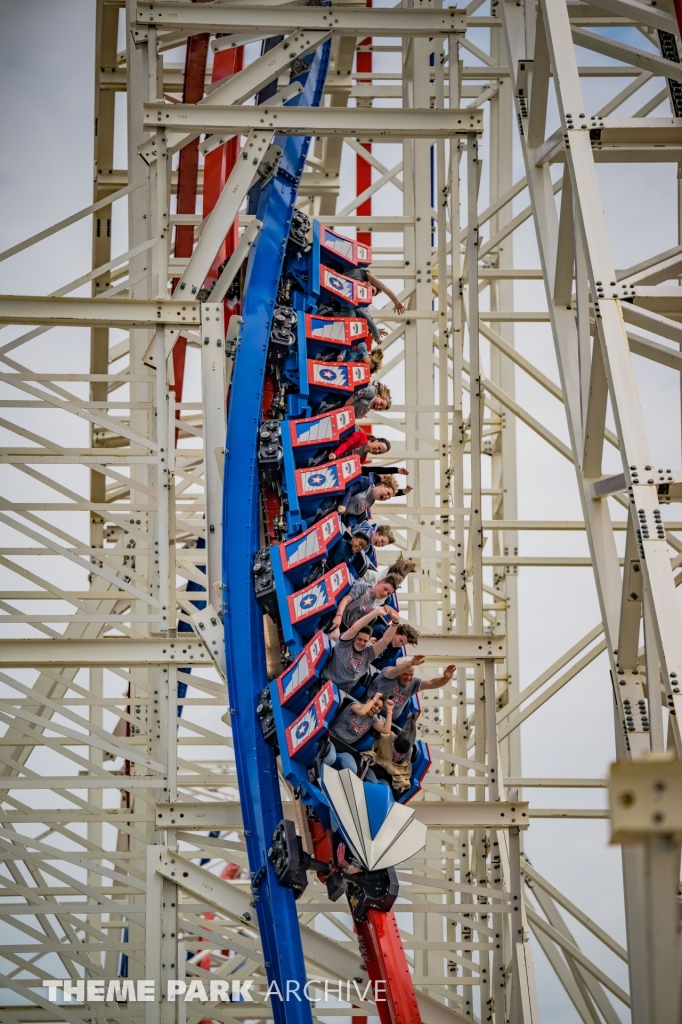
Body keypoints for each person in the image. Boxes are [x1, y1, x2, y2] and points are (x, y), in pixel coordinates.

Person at [321, 605, 400, 693]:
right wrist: (376, 613)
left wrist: (395, 622)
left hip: (340, 692)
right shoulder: (344, 643)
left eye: (365, 641)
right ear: (354, 637)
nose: (362, 643)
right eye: (359, 639)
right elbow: (354, 628)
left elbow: (385, 640)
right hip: (324, 684)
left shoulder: (368, 653)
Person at [323, 693, 394, 784]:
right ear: (369, 701)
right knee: (331, 758)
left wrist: (389, 710)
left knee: (353, 770)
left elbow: (386, 730)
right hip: (332, 739)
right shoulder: (355, 705)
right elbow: (361, 712)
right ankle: (312, 774)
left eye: (379, 708)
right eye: (375, 704)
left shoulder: (373, 720)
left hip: (345, 748)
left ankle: (330, 784)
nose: (376, 709)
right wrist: (375, 698)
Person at [368, 655, 456, 720]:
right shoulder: (390, 672)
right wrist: (411, 664)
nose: (408, 678)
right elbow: (396, 670)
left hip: (385, 720)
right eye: (405, 674)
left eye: (411, 674)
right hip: (369, 709)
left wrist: (445, 679)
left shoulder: (414, 683)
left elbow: (432, 683)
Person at [329, 573, 403, 639]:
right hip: (334, 616)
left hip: (344, 627)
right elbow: (346, 600)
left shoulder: (373, 607)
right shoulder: (363, 587)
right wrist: (338, 616)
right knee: (335, 637)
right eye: (385, 589)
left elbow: (355, 623)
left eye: (388, 593)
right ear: (379, 583)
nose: (385, 593)